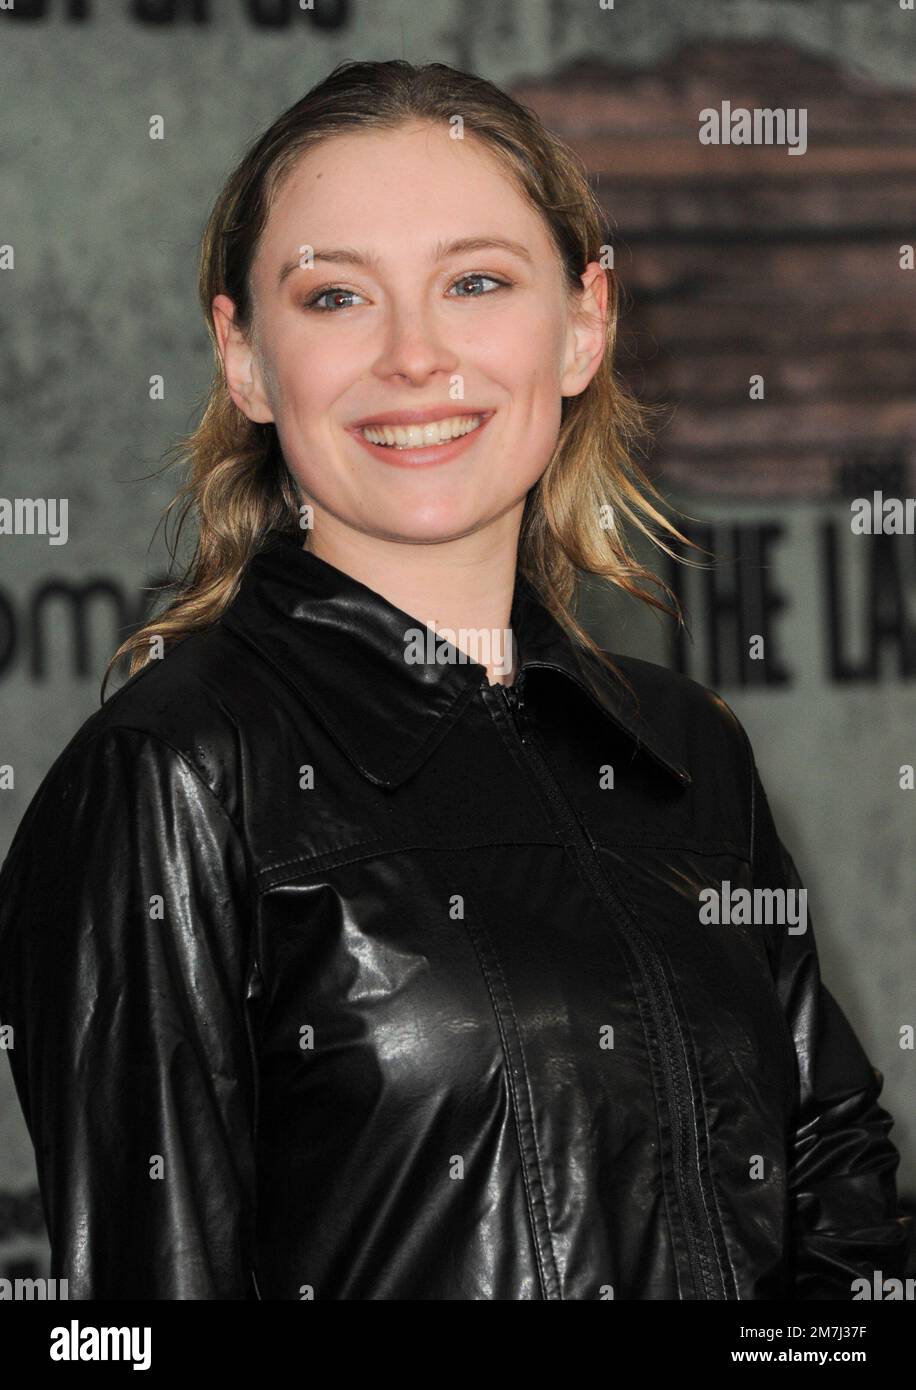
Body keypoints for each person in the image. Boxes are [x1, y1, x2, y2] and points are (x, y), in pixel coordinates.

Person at [0, 59, 907, 1301]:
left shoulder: (686, 750)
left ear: (583, 321)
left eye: (475, 282)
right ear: (246, 358)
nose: (415, 358)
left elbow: (836, 1185)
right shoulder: (169, 775)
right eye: (334, 298)